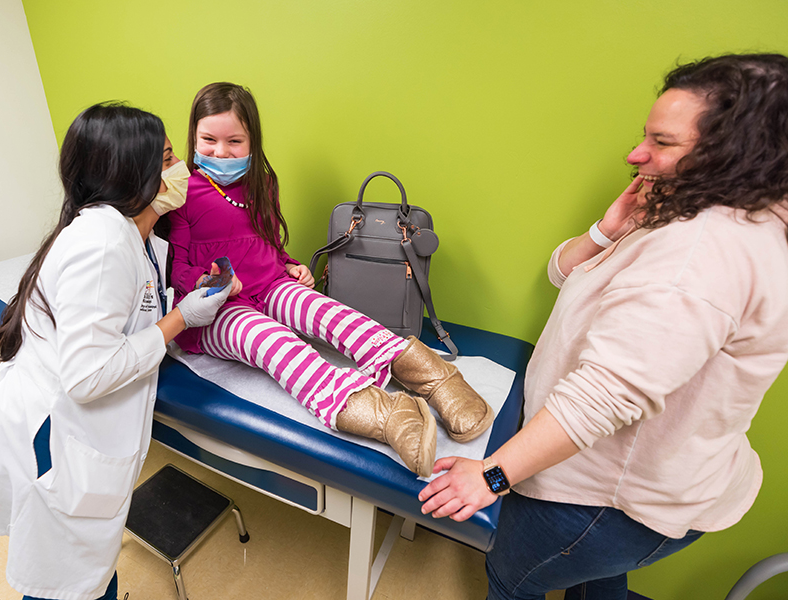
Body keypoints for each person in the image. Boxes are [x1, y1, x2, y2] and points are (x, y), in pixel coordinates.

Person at [418, 53, 788, 599]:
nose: (637, 155)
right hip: (648, 483)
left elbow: (602, 397)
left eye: (662, 143)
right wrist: (606, 231)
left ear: (737, 154)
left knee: (510, 580)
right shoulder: (712, 215)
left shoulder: (704, 254)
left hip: (600, 496)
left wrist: (491, 475)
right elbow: (562, 272)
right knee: (596, 581)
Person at [167, 82, 493, 477]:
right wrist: (212, 283)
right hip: (214, 312)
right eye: (209, 140)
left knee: (328, 311)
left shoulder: (262, 181)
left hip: (268, 283)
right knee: (272, 341)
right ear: (193, 137)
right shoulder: (182, 191)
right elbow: (177, 268)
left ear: (253, 140)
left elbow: (265, 238)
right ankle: (384, 412)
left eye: (235, 141)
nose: (221, 152)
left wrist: (289, 264)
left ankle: (433, 376)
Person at [0, 103, 230, 600]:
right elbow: (87, 375)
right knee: (65, 581)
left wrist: (177, 303)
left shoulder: (136, 236)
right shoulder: (101, 243)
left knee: (91, 568)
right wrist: (179, 319)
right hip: (56, 439)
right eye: (166, 160)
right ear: (131, 175)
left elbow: (125, 310)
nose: (180, 169)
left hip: (73, 436)